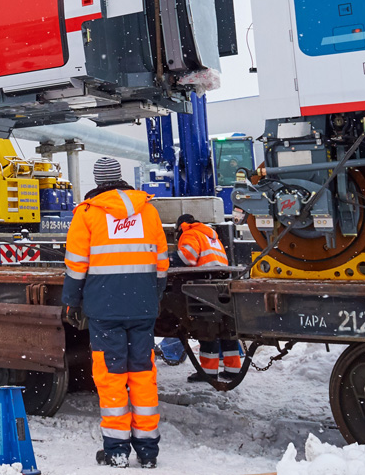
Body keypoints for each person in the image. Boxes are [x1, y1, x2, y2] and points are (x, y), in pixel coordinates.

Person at [63, 158, 168, 469]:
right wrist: (151, 297)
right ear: (120, 177)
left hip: (105, 308)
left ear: (98, 180)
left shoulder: (88, 213)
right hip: (142, 307)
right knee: (143, 375)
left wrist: (71, 302)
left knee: (111, 377)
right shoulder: (148, 211)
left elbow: (76, 265)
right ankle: (148, 451)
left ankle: (117, 449)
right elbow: (162, 263)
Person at [174, 213, 242, 382]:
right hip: (221, 282)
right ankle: (233, 369)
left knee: (206, 328)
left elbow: (187, 258)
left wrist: (167, 259)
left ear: (181, 226)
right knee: (225, 328)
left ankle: (208, 372)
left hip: (203, 284)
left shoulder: (189, 232)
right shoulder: (210, 236)